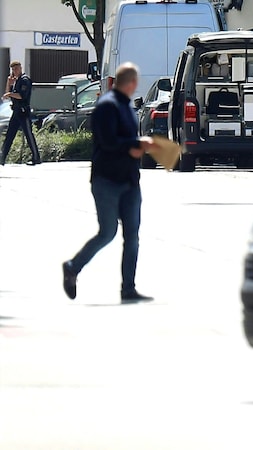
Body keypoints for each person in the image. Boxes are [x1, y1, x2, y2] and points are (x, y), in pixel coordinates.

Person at [62, 62, 155, 304]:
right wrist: (134, 147)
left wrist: (138, 146)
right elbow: (107, 141)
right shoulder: (107, 106)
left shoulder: (126, 105)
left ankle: (129, 288)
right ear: (132, 83)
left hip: (130, 180)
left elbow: (125, 138)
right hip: (107, 180)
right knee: (108, 232)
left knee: (132, 235)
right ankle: (73, 267)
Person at [1, 60, 41, 166]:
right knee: (9, 135)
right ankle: (2, 158)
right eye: (13, 69)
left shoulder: (25, 80)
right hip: (16, 111)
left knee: (28, 135)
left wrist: (10, 93)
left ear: (20, 68)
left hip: (23, 111)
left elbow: (21, 96)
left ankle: (36, 157)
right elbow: (7, 94)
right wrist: (8, 83)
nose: (15, 71)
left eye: (16, 69)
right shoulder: (17, 81)